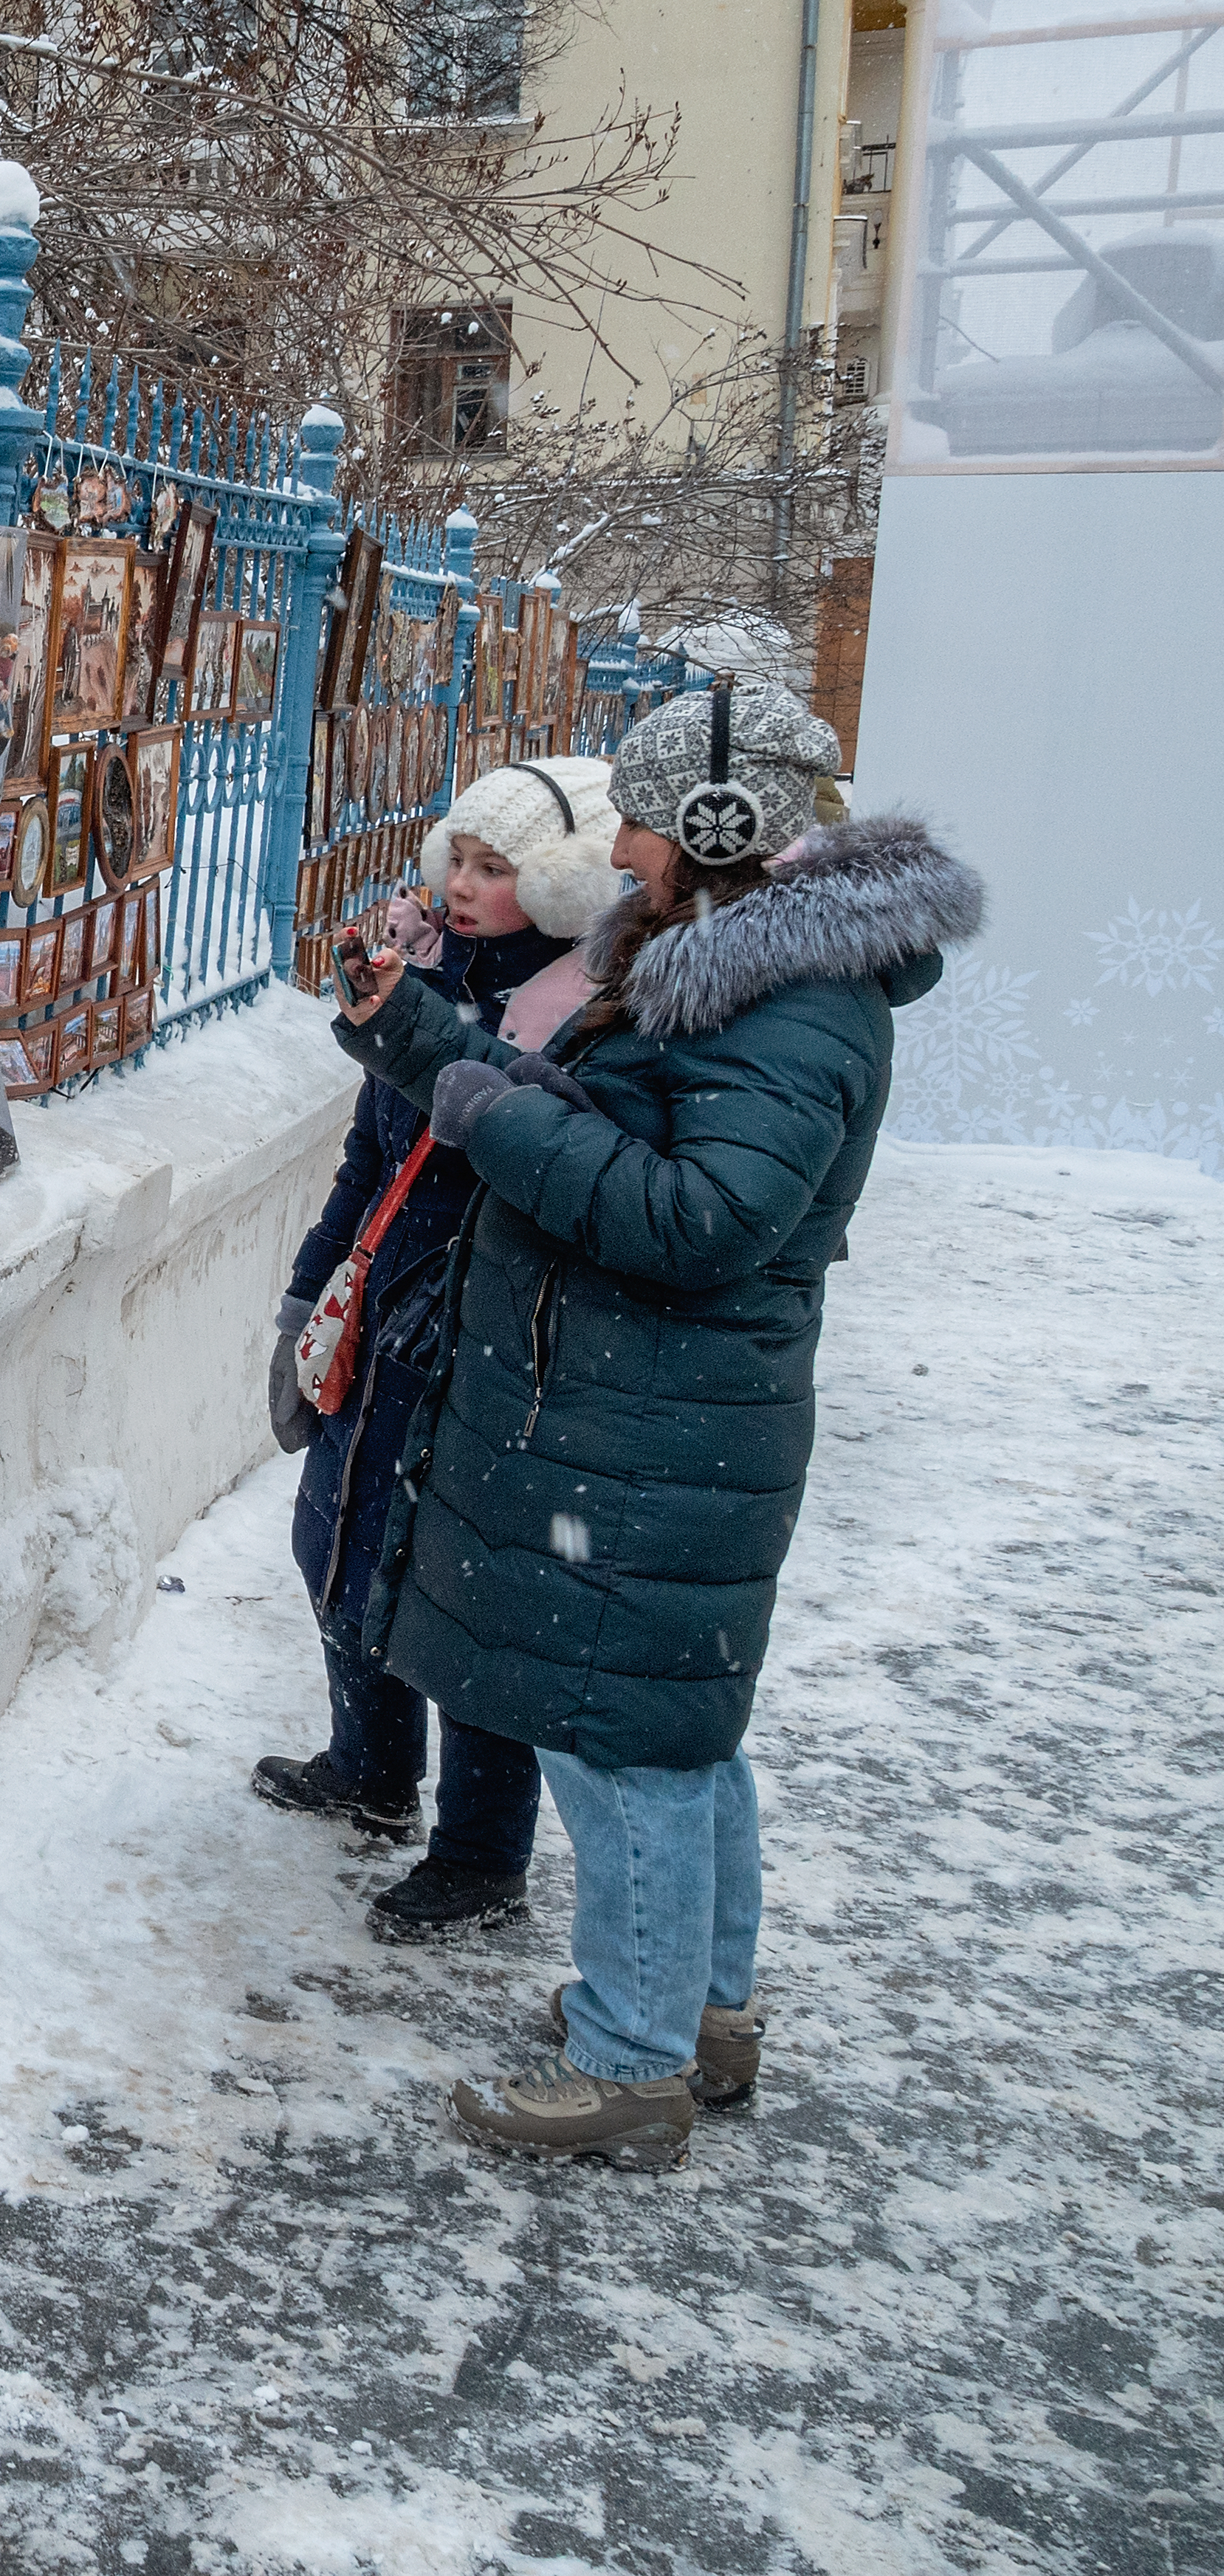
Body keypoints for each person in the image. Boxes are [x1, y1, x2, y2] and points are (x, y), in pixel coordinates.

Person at [336, 676, 981, 2167]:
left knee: (625, 1747)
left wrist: (496, 1117)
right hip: (644, 1414)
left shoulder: (792, 1008)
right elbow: (611, 1122)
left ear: (718, 824)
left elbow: (698, 1217)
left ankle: (635, 2063)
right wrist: (428, 1041)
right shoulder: (729, 967)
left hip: (652, 1422)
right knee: (677, 1732)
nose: (615, 843)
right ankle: (704, 2011)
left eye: (638, 812)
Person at [257, 757, 623, 1942]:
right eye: (455, 858)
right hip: (384, 1309)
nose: (462, 885)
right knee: (338, 1531)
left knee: (470, 1595)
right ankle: (369, 1769)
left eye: (496, 869)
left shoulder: (586, 1015)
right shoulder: (425, 971)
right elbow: (370, 1158)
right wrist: (311, 1295)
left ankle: (480, 1854)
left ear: (564, 885)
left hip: (482, 1332)